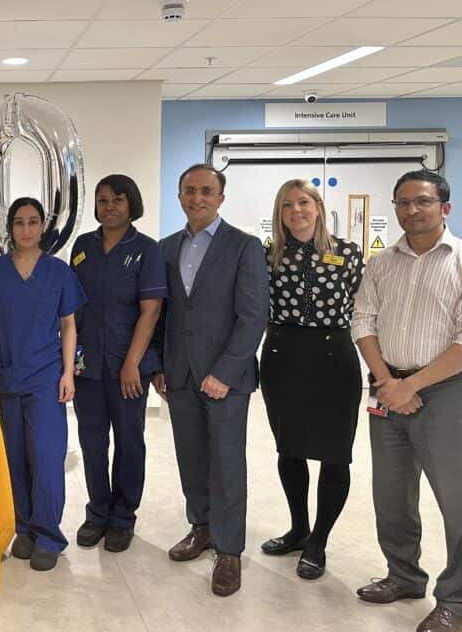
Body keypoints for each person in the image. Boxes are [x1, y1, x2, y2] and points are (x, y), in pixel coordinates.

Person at [0, 197, 86, 571]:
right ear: (10, 228)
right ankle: (23, 528)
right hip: (5, 374)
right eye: (19, 222)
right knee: (13, 458)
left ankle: (49, 535)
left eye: (33, 222)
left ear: (43, 227)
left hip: (45, 377)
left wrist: (68, 373)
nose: (26, 229)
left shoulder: (57, 272)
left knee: (46, 456)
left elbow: (69, 324)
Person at [352, 170, 462, 632]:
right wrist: (387, 381)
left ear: (445, 208)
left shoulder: (459, 260)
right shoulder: (381, 263)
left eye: (422, 201)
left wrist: (411, 384)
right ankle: (403, 576)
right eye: (403, 202)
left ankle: (456, 600)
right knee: (391, 494)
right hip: (388, 391)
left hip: (446, 392)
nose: (411, 210)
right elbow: (363, 320)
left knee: (456, 500)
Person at [158, 163, 268, 596]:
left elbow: (253, 316)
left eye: (206, 191)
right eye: (190, 190)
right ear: (180, 197)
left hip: (226, 377)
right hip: (180, 373)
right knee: (191, 457)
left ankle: (229, 550)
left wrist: (225, 372)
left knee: (226, 463)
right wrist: (160, 366)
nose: (197, 197)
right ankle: (201, 527)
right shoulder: (167, 248)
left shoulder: (244, 247)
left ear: (221, 198)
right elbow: (163, 314)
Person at [258, 179, 363, 580]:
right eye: (287, 205)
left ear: (318, 206)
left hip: (334, 358)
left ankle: (319, 540)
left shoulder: (347, 253)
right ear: (279, 213)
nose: (296, 211)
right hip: (282, 357)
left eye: (303, 202)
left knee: (335, 453)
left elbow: (363, 307)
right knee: (290, 449)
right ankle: (299, 529)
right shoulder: (267, 255)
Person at [69, 174, 166, 553]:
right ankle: (97, 512)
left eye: (117, 200)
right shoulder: (83, 247)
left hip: (129, 367)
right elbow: (72, 310)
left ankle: (123, 517)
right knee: (92, 443)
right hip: (87, 366)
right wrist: (66, 359)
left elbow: (151, 311)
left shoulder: (146, 250)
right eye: (103, 200)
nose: (109, 207)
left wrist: (132, 363)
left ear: (131, 204)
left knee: (129, 443)